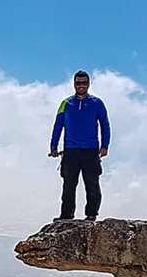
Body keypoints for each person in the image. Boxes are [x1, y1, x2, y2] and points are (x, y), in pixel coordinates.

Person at [48, 70, 111, 221]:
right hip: (71, 150)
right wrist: (53, 146)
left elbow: (105, 125)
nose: (81, 86)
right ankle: (66, 215)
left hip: (91, 150)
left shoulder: (97, 103)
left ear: (89, 84)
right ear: (74, 84)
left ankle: (91, 215)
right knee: (69, 185)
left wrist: (105, 145)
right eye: (78, 83)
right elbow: (58, 125)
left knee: (92, 184)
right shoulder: (66, 104)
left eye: (84, 83)